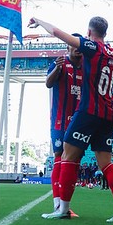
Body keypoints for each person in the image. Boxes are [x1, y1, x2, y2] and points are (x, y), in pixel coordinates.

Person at [28, 15, 113, 222]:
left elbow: (57, 32)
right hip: (108, 113)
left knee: (67, 157)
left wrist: (39, 21)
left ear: (89, 32)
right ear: (106, 32)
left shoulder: (92, 47)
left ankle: (63, 209)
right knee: (106, 163)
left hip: (88, 111)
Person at [45, 39, 83, 213]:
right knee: (59, 157)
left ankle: (66, 204)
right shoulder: (59, 63)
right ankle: (57, 203)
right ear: (68, 47)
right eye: (74, 45)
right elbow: (48, 83)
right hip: (59, 121)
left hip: (78, 122)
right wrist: (57, 69)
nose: (77, 49)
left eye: (79, 46)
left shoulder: (85, 68)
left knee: (74, 162)